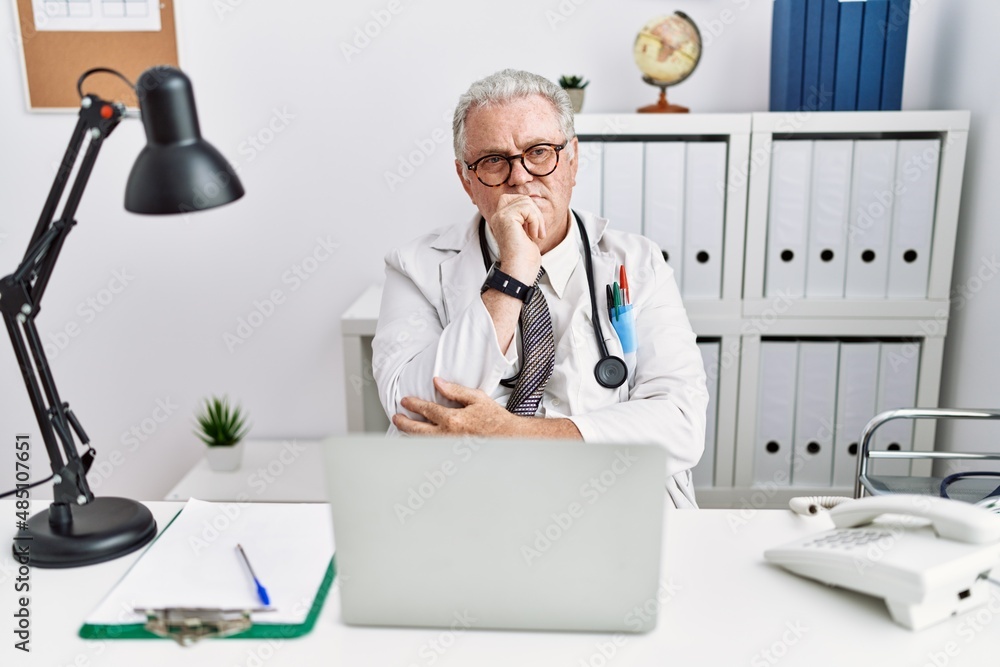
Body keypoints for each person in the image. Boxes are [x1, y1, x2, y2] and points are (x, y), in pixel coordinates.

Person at [371, 69, 708, 507]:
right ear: (466, 180)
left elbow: (680, 422)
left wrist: (517, 435)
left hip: (610, 495)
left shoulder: (640, 263)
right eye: (493, 160)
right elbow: (411, 410)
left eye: (539, 152)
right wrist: (512, 274)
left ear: (572, 160)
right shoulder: (415, 267)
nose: (520, 177)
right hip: (472, 502)